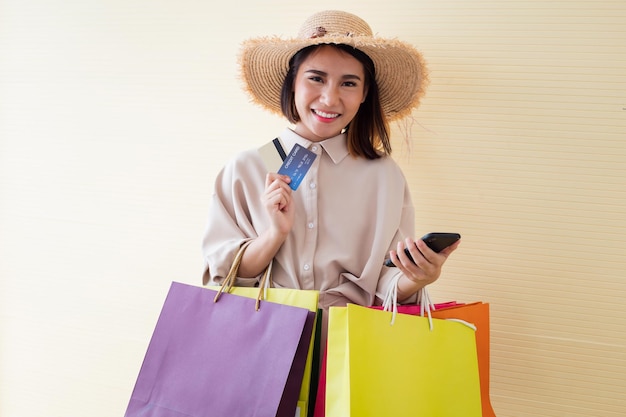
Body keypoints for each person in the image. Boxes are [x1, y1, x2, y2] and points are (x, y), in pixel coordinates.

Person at [201, 10, 459, 313]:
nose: (329, 99)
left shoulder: (384, 176)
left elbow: (387, 286)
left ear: (365, 94)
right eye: (316, 78)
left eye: (348, 83)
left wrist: (417, 277)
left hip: (352, 344)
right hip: (264, 340)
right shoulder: (247, 168)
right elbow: (224, 276)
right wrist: (275, 234)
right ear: (293, 82)